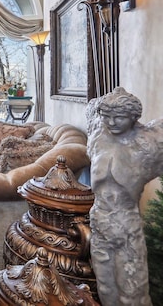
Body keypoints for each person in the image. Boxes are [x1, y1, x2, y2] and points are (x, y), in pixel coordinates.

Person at [87, 87, 163, 306]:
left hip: (126, 226)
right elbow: (93, 108)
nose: (111, 122)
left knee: (133, 292)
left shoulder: (146, 144)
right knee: (105, 286)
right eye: (107, 116)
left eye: (119, 117)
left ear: (133, 118)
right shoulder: (98, 136)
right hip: (99, 223)